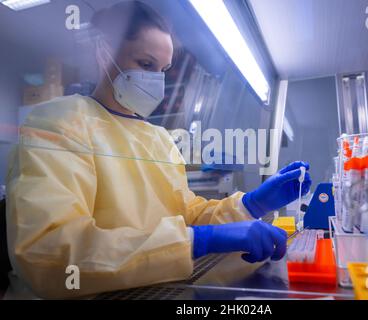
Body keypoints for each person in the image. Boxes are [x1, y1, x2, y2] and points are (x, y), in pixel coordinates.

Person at [5, 1, 311, 299]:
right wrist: (195, 242)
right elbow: (48, 252)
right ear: (104, 52)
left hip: (149, 287)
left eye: (163, 69)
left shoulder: (158, 139)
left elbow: (185, 213)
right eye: (145, 64)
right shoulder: (60, 122)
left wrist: (251, 205)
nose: (155, 79)